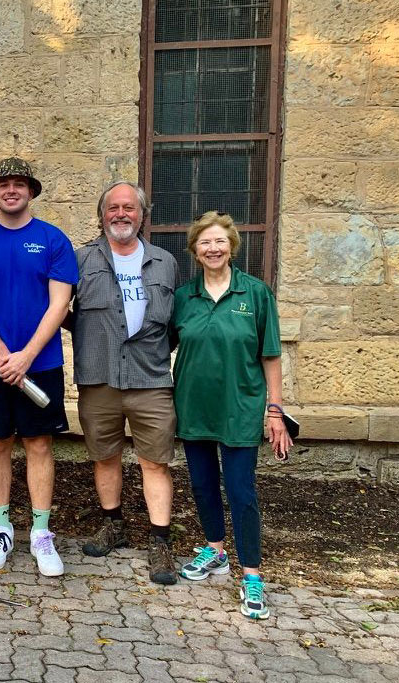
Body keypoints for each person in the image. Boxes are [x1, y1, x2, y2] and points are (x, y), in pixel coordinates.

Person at [0, 157, 78, 577]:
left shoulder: (53, 239)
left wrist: (25, 355)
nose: (11, 190)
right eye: (4, 184)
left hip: (40, 362)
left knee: (39, 444)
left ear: (31, 191)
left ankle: (42, 533)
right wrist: (2, 351)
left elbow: (60, 304)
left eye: (19, 184)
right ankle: (3, 528)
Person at [171, 211, 291, 619]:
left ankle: (252, 574)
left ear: (232, 246)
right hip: (193, 408)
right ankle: (215, 549)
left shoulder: (255, 294)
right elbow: (159, 345)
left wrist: (275, 409)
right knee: (203, 487)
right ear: (195, 250)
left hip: (240, 409)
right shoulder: (183, 298)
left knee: (241, 493)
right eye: (205, 242)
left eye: (220, 241)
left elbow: (270, 355)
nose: (213, 248)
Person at [70, 180, 180, 585]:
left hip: (150, 378)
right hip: (99, 378)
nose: (121, 214)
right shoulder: (81, 260)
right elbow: (64, 312)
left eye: (129, 208)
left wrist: (149, 353)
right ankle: (113, 525)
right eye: (113, 207)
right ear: (102, 216)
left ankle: (160, 541)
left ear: (142, 215)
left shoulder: (165, 262)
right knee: (105, 456)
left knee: (155, 461)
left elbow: (173, 325)